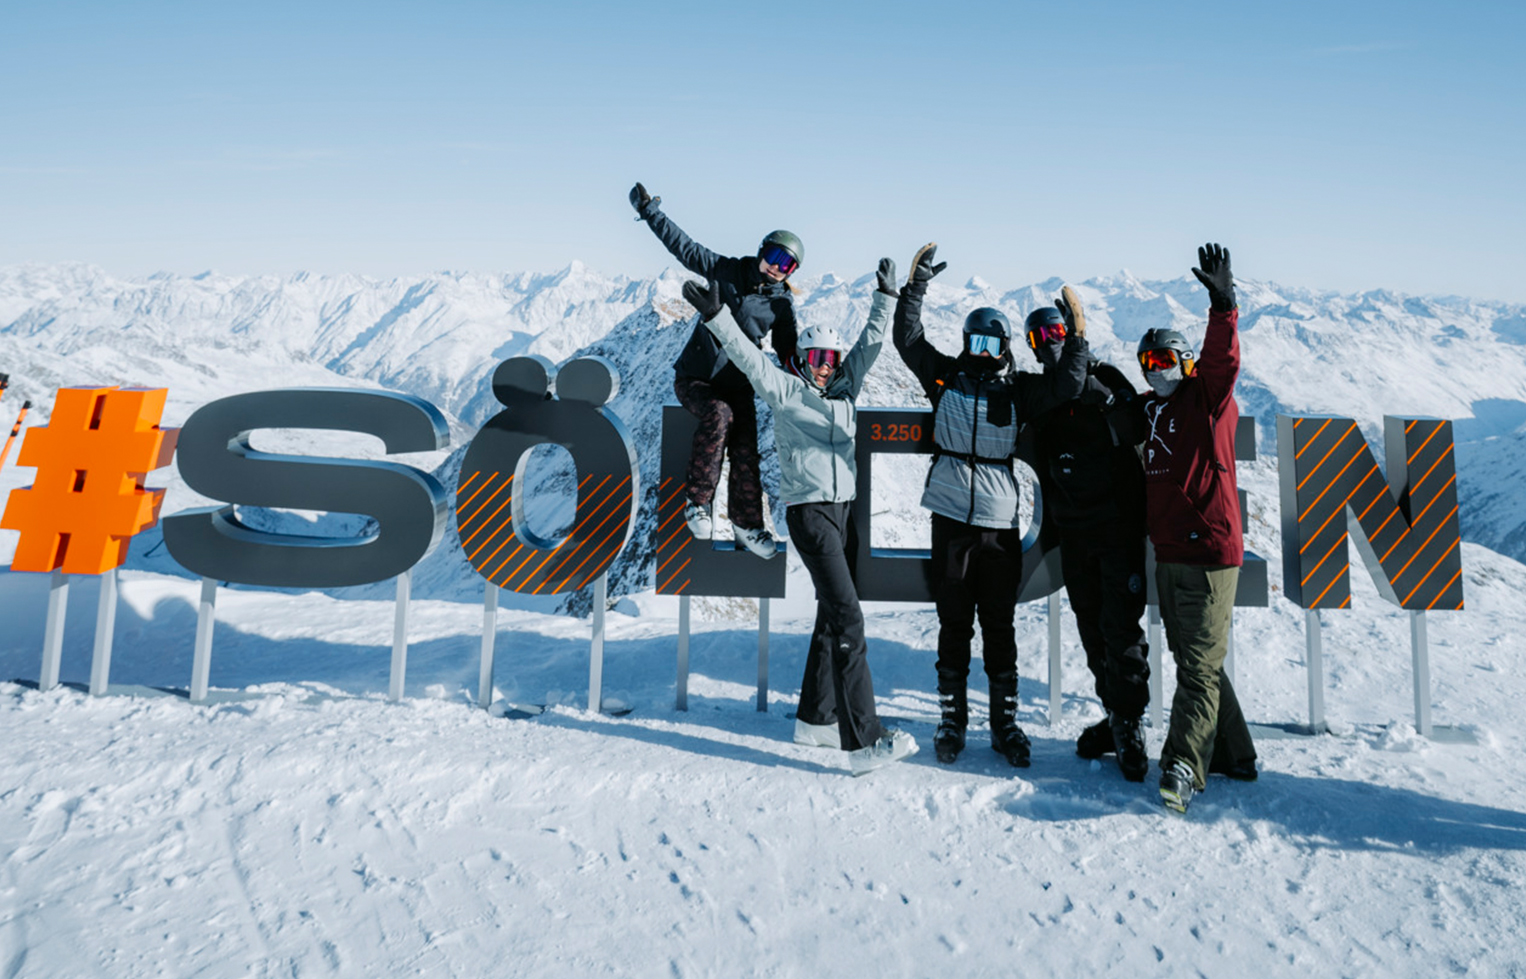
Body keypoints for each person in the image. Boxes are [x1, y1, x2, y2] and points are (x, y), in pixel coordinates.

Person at [682, 261, 918, 776]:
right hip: (809, 515)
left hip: (843, 512)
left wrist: (885, 297)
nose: (826, 367)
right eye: (816, 358)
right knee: (850, 619)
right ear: (801, 360)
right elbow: (748, 358)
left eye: (831, 359)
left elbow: (870, 345)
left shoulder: (845, 389)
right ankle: (863, 742)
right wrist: (719, 317)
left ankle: (816, 719)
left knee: (832, 616)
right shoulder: (787, 391)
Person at [891, 244, 1088, 767]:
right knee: (954, 623)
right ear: (965, 343)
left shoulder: (1020, 390)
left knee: (999, 625)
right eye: (975, 342)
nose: (982, 352)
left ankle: (1005, 725)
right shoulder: (944, 377)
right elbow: (907, 341)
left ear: (1005, 347)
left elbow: (1069, 383)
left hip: (999, 525)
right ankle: (951, 721)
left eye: (992, 343)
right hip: (951, 521)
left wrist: (1077, 336)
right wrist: (915, 289)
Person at [1131, 242, 1258, 813]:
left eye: (1165, 359)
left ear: (1184, 362)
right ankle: (1238, 753)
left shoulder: (1206, 399)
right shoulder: (1151, 410)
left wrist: (1223, 305)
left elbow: (1222, 362)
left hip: (1209, 555)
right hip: (1169, 555)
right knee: (1195, 664)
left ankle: (1183, 764)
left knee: (1199, 669)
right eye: (1147, 361)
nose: (1156, 369)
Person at [629, 182, 799, 559]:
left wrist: (812, 375)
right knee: (719, 415)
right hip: (696, 377)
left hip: (739, 384)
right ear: (762, 251)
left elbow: (788, 350)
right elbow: (685, 247)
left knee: (746, 449)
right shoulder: (727, 271)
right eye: (774, 256)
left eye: (787, 265)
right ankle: (698, 502)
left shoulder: (782, 305)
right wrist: (650, 212)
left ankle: (747, 525)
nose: (777, 267)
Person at [1025, 303, 1152, 781]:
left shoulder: (1105, 377)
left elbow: (1136, 428)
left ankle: (1131, 725)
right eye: (1039, 337)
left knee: (1121, 629)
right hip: (1074, 535)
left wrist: (1104, 397)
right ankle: (1117, 715)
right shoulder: (1042, 392)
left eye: (1057, 331)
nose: (1050, 342)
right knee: (1092, 630)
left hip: (1116, 530)